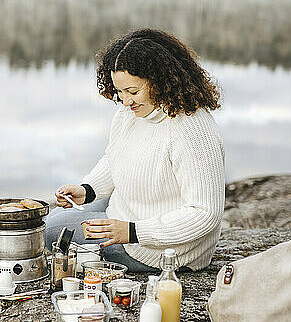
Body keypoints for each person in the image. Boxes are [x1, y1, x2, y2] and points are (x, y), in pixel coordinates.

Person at [45, 28, 225, 273]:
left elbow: (205, 214)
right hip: (130, 212)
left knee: (51, 232)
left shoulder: (191, 128)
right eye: (119, 91)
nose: (125, 101)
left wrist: (132, 231)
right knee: (51, 221)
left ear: (160, 81)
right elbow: (115, 157)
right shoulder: (131, 112)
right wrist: (87, 190)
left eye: (133, 91)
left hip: (160, 248)